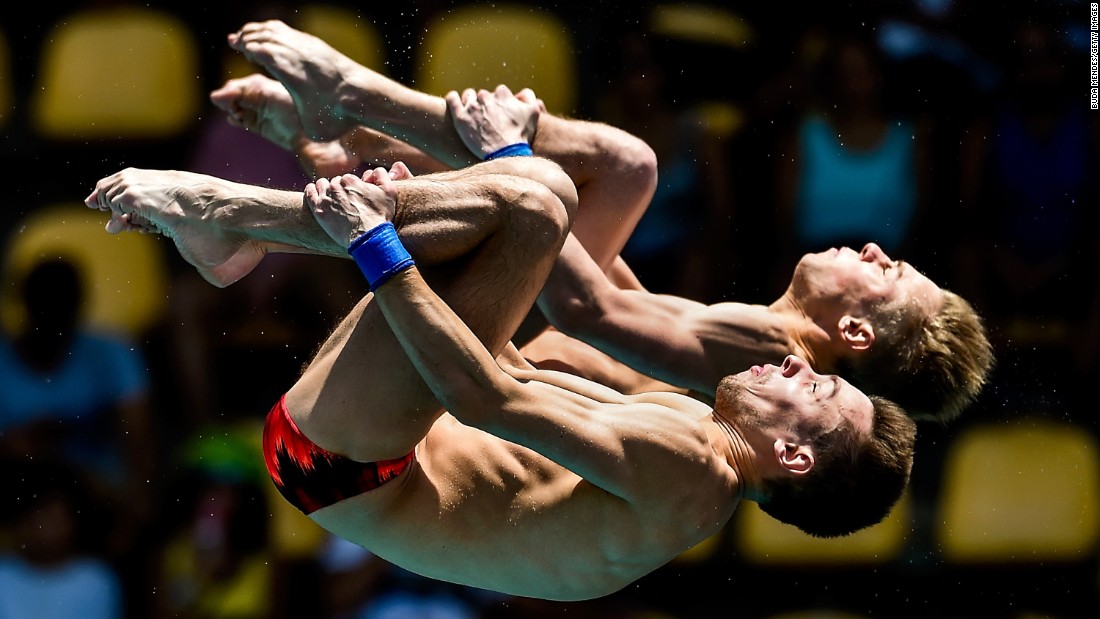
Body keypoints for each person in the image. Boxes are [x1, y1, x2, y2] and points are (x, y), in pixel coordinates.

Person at [85, 149, 916, 601]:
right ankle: (252, 219)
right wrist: (448, 216)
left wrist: (381, 247)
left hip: (340, 464)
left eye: (815, 389)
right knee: (533, 191)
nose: (794, 365)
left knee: (533, 206)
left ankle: (226, 215)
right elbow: (514, 360)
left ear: (794, 456)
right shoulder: (695, 442)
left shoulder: (694, 468)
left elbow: (480, 393)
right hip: (373, 449)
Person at [209, 19, 993, 423]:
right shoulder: (768, 337)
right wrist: (519, 163)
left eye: (889, 273)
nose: (877, 249)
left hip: (488, 360)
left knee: (594, 174)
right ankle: (333, 137)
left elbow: (589, 312)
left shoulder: (768, 351)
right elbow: (613, 296)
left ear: (854, 331)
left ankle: (345, 110)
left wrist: (514, 156)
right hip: (514, 342)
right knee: (613, 169)